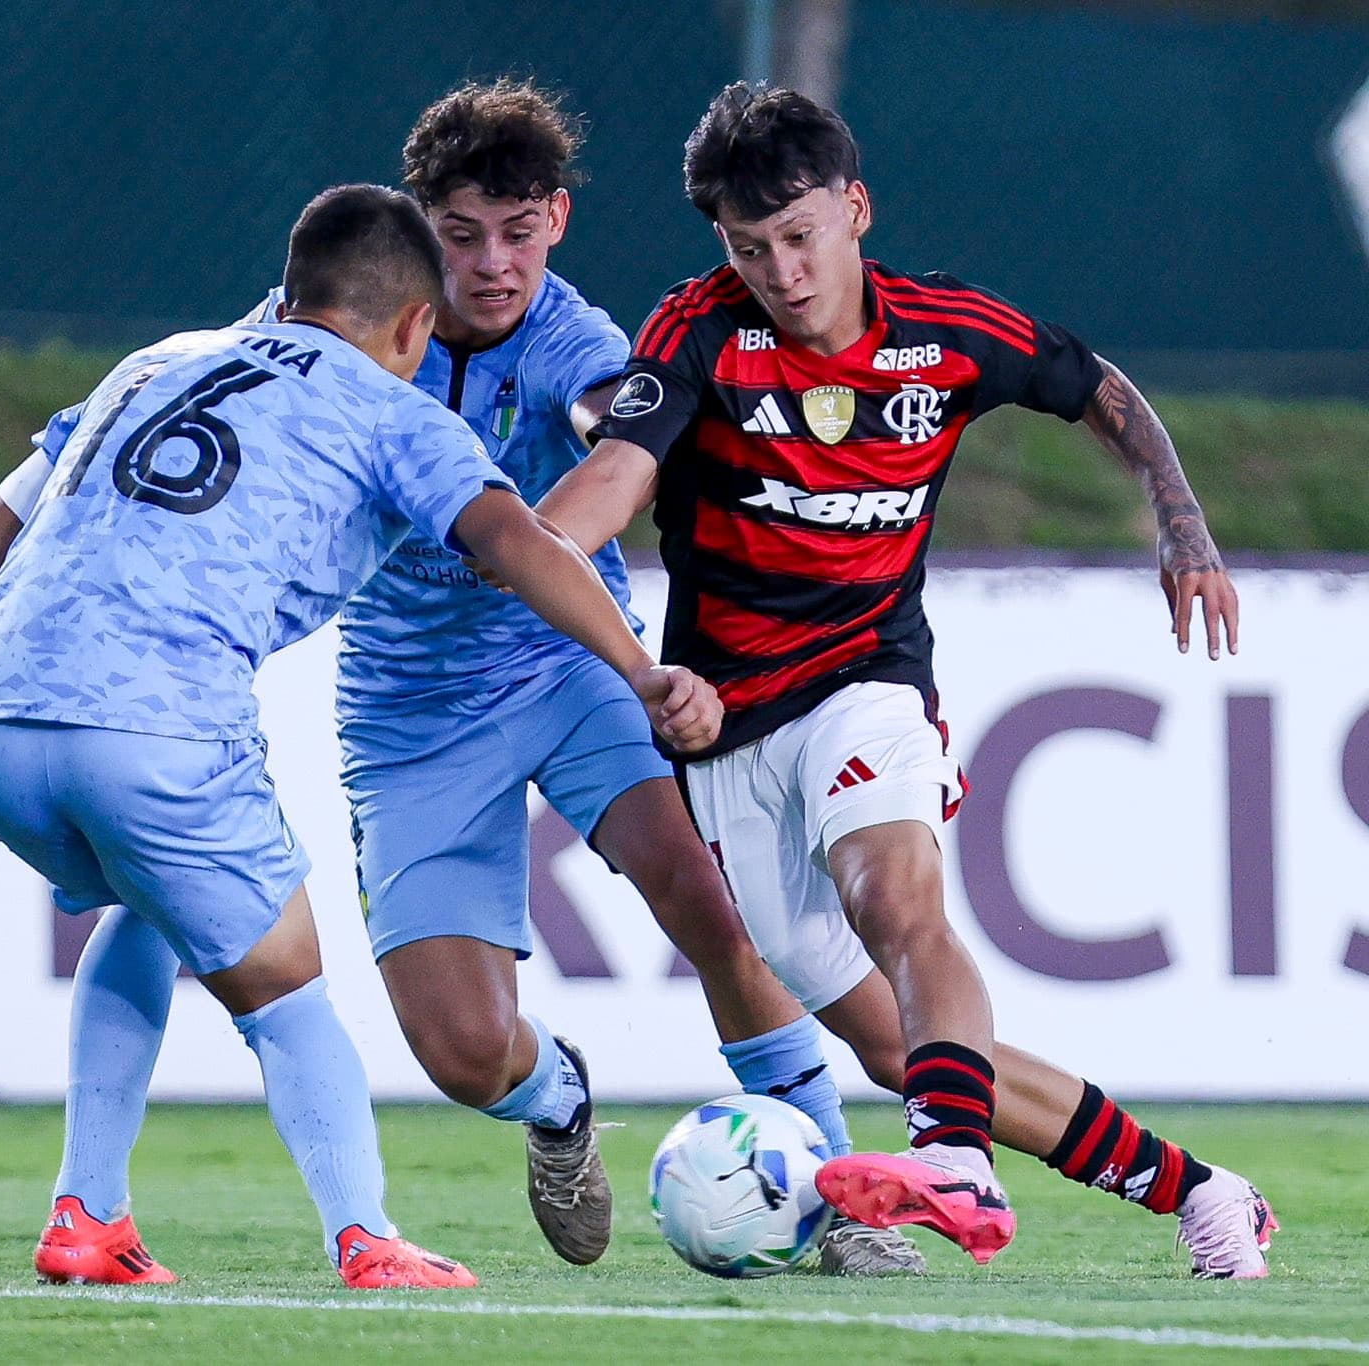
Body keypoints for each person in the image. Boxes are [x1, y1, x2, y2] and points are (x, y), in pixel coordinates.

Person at [9, 79, 923, 1278]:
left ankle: (837, 1193)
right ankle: (556, 1102)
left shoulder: (580, 346)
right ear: (415, 229)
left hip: (573, 671)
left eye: (518, 230)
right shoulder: (325, 331)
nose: (492, 264)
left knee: (711, 902)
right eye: (460, 234)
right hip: (408, 711)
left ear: (556, 220)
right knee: (460, 1050)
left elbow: (622, 422)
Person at [0, 184, 723, 1290]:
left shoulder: (151, 363)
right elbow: (518, 544)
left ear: (288, 295)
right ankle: (366, 1237)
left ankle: (87, 1214)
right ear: (415, 326)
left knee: (146, 907)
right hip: (149, 726)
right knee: (284, 986)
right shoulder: (395, 411)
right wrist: (639, 665)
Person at [537, 82, 1276, 1279]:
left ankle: (948, 1157)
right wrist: (534, 541)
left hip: (868, 681)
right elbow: (615, 477)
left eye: (798, 235)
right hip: (725, 730)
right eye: (746, 246)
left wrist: (1179, 518)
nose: (778, 269)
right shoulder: (696, 332)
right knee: (898, 1047)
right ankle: (1204, 1191)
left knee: (896, 900)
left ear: (854, 209)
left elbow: (1098, 389)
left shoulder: (946, 332)